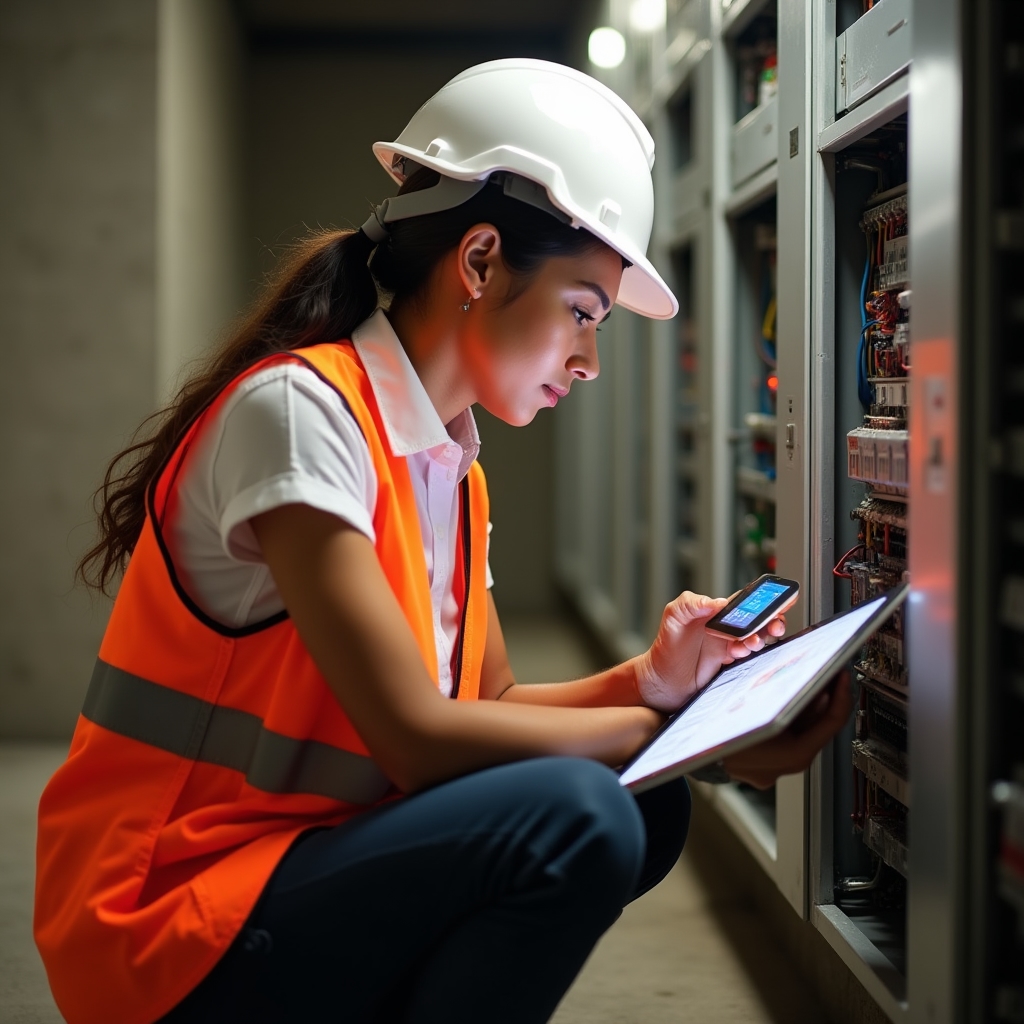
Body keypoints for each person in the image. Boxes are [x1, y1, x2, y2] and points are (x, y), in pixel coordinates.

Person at [34, 59, 851, 1024]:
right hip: (166, 910)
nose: (588, 360)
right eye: (582, 313)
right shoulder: (302, 412)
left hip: (297, 862)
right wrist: (700, 740)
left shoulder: (449, 471)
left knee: (639, 803)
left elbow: (491, 704)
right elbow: (417, 742)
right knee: (581, 814)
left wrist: (657, 684)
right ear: (478, 261)